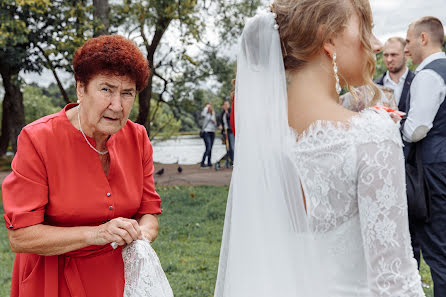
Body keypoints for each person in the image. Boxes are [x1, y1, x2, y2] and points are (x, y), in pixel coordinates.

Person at [214, 0, 425, 296]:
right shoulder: (371, 136)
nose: (375, 45)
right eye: (366, 27)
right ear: (328, 40)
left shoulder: (262, 141)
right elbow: (395, 282)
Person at [2, 35, 166, 297]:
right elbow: (20, 237)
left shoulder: (138, 138)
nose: (117, 105)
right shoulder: (38, 139)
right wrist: (97, 234)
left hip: (117, 279)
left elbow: (149, 213)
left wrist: (140, 235)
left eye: (127, 93)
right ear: (81, 88)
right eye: (106, 89)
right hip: (52, 282)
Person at [403, 16, 446, 297]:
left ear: (423, 39)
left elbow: (416, 129)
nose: (406, 48)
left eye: (408, 41)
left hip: (432, 168)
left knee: (436, 247)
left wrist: (392, 123)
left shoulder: (429, 74)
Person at [375, 37, 415, 113]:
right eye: (386, 55)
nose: (389, 59)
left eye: (394, 55)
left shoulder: (416, 81)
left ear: (406, 55)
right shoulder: (375, 86)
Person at [200, 103, 217, 168]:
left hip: (212, 132)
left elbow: (215, 124)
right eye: (208, 107)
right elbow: (203, 114)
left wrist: (214, 121)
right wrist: (206, 107)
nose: (209, 107)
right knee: (208, 147)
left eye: (210, 106)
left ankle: (209, 163)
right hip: (206, 132)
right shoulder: (205, 114)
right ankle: (202, 163)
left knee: (211, 148)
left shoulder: (213, 114)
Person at [218, 100, 234, 166]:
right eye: (225, 104)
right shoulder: (222, 113)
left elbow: (230, 118)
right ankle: (229, 160)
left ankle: (233, 161)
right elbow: (220, 120)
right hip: (225, 132)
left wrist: (227, 112)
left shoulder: (230, 111)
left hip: (230, 131)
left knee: (232, 147)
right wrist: (220, 125)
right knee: (227, 147)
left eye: (227, 104)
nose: (226, 106)